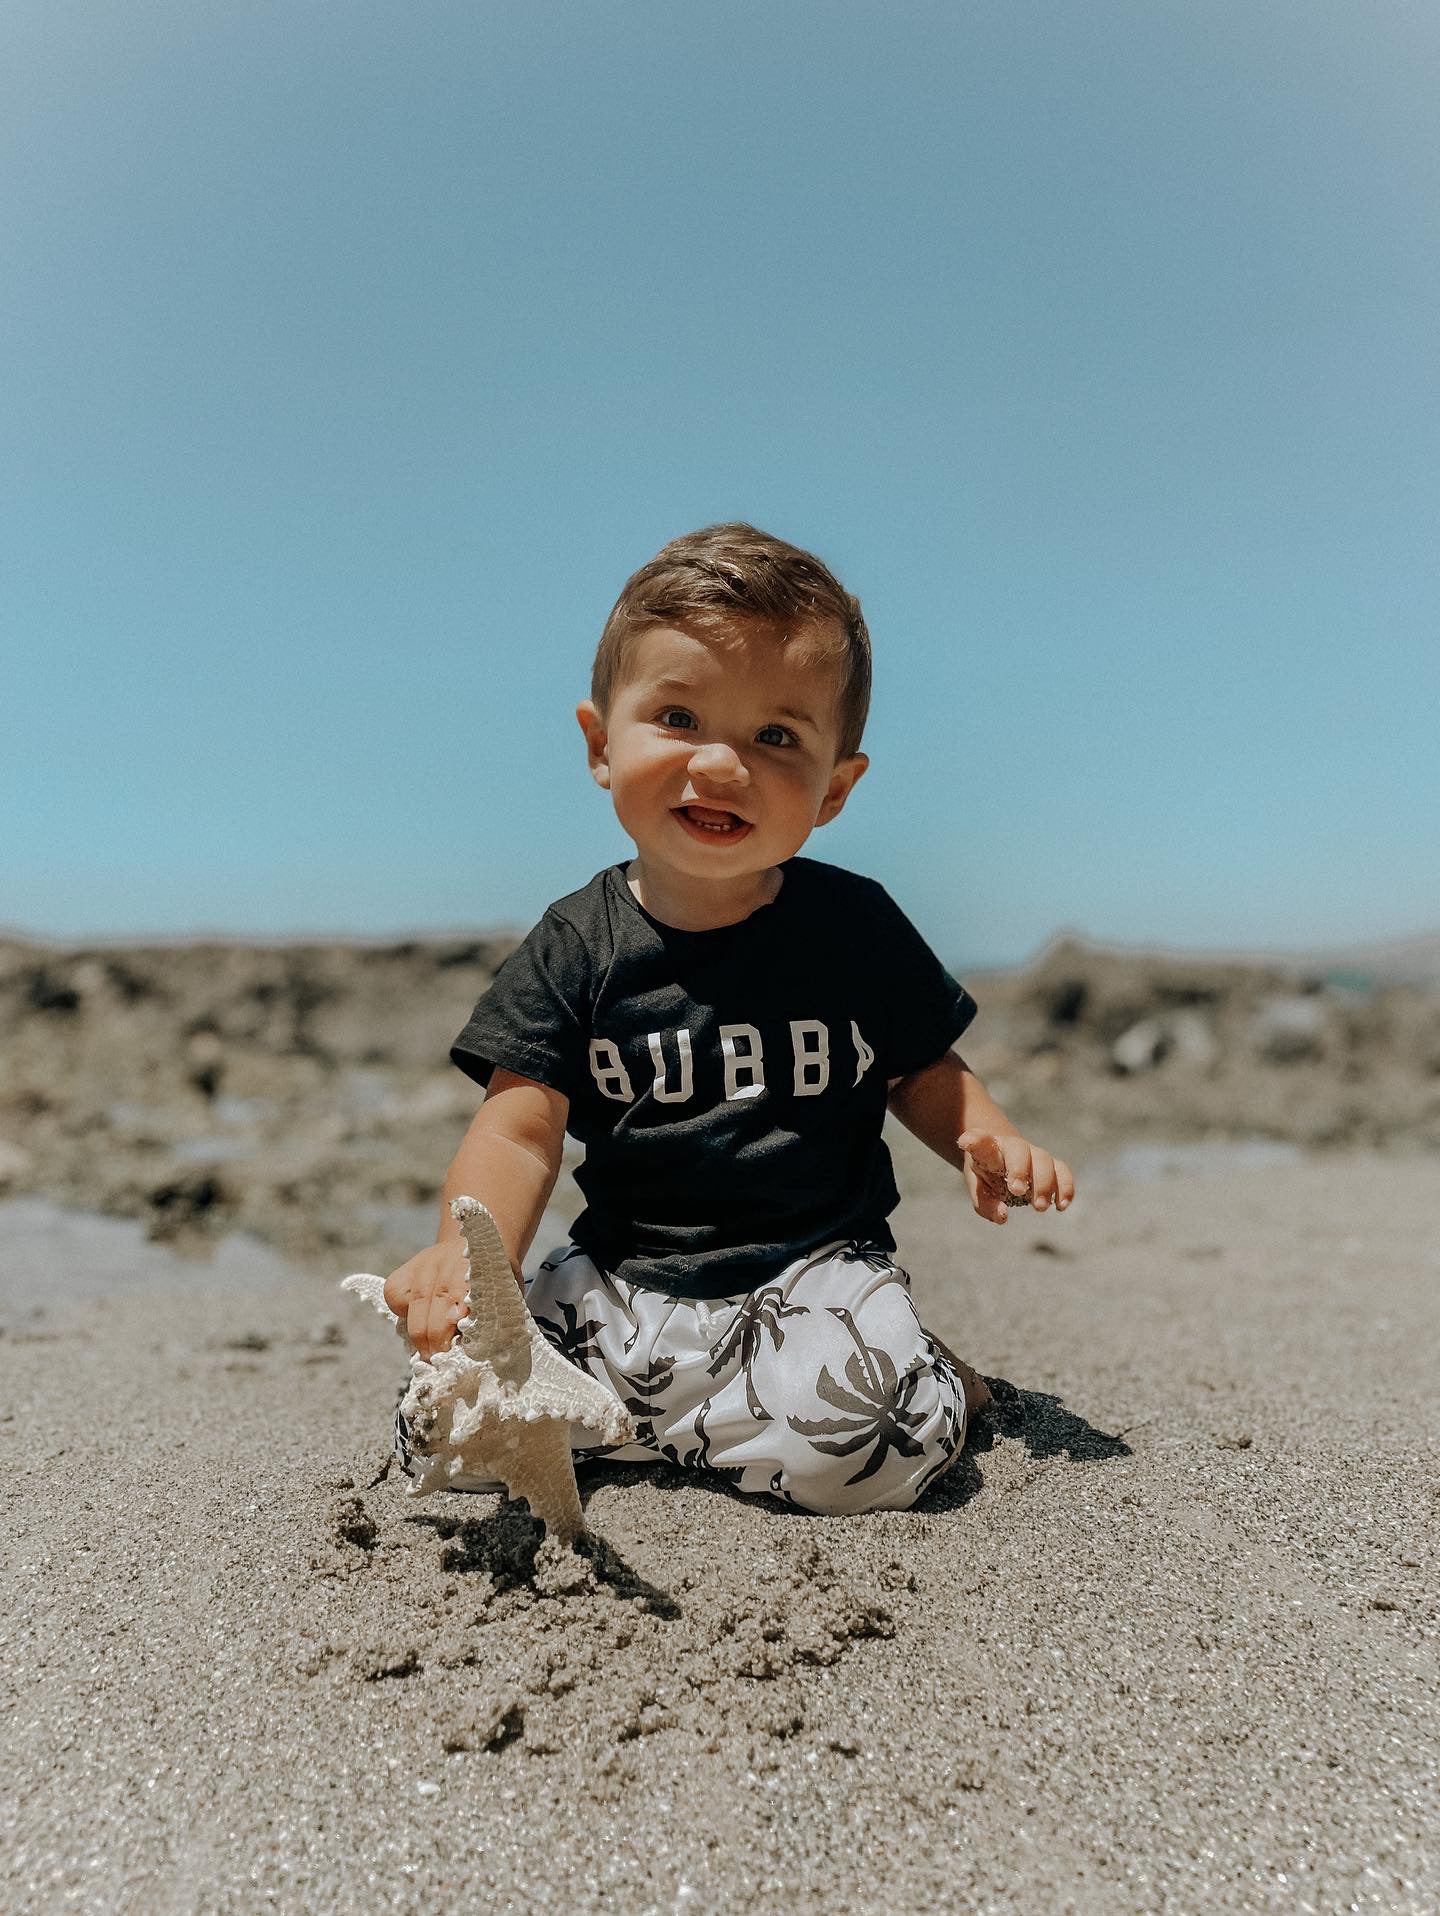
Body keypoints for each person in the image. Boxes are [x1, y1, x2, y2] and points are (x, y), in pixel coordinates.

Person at [382, 523, 1074, 1514]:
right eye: (677, 715)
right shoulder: (578, 942)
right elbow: (519, 1124)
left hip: (814, 1275)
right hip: (618, 1276)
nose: (720, 764)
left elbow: (919, 1068)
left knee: (867, 1448)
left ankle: (897, 1377)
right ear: (599, 743)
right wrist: (470, 1252)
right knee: (445, 1423)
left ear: (835, 786)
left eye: (776, 736)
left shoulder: (854, 926)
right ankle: (693, 1418)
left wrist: (983, 1133)